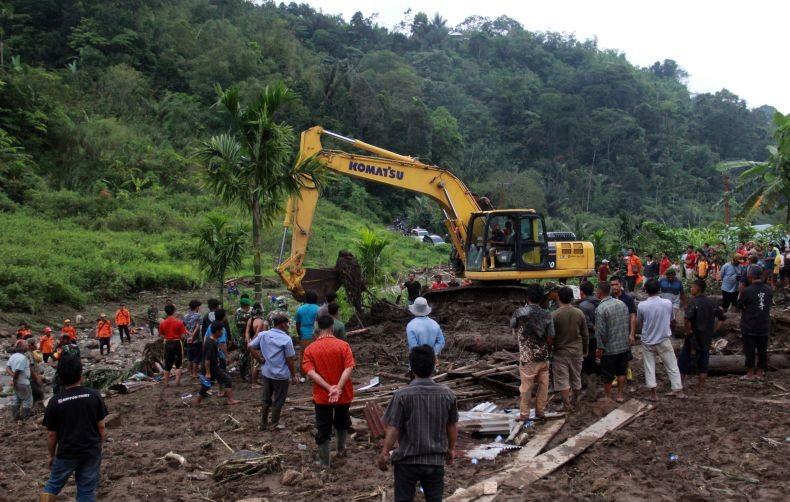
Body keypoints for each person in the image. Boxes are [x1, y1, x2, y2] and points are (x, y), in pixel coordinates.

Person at [378, 345, 458, 502]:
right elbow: (452, 425)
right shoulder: (447, 395)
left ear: (411, 367)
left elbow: (393, 428)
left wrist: (385, 452)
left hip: (407, 461)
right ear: (434, 366)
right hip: (434, 461)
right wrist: (451, 449)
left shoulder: (401, 395)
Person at [40, 355, 107, 502]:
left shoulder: (55, 402)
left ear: (60, 378)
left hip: (67, 452)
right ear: (81, 375)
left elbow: (51, 435)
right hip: (91, 450)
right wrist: (99, 446)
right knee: (86, 491)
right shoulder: (94, 395)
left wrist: (51, 455)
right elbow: (101, 426)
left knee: (52, 485)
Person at [302, 314, 356, 467]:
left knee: (323, 427)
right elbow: (349, 368)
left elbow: (310, 372)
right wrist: (338, 388)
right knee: (342, 422)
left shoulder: (310, 349)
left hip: (322, 396)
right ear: (332, 327)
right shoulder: (343, 346)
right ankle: (341, 450)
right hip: (343, 394)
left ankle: (324, 462)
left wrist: (329, 388)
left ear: (318, 328)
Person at [510, 284, 553, 420]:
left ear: (527, 297)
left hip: (527, 357)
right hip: (543, 356)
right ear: (541, 298)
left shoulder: (519, 312)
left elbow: (512, 325)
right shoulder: (547, 314)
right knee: (544, 386)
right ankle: (540, 411)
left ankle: (524, 414)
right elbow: (551, 336)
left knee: (526, 387)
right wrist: (547, 349)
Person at [248, 312, 298, 430]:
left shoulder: (263, 335)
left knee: (266, 399)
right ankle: (274, 424)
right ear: (282, 324)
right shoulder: (286, 339)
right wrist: (293, 375)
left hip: (267, 372)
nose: (288, 325)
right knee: (279, 400)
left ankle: (263, 423)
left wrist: (260, 360)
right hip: (281, 375)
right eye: (287, 323)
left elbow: (250, 346)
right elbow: (289, 359)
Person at [637, 279, 685, 401]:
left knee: (649, 366)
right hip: (663, 339)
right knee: (672, 365)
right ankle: (678, 390)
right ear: (659, 289)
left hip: (648, 340)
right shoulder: (667, 303)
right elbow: (672, 319)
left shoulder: (641, 305)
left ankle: (653, 394)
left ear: (645, 290)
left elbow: (640, 322)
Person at [679, 279, 725, 392]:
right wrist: (713, 330)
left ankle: (679, 385)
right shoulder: (711, 302)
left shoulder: (693, 302)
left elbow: (687, 319)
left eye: (692, 287)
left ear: (697, 288)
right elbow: (722, 318)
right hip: (706, 337)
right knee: (704, 362)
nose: (691, 289)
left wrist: (688, 332)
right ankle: (700, 387)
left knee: (684, 360)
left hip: (693, 336)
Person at [550, 286, 589, 411]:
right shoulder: (579, 313)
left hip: (560, 353)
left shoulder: (554, 315)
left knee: (562, 380)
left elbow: (551, 336)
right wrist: (585, 350)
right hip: (577, 351)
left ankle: (567, 405)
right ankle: (575, 401)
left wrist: (550, 349)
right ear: (572, 298)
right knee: (576, 377)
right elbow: (585, 334)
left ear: (559, 298)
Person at [594, 282, 631, 403]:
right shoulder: (622, 304)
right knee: (621, 371)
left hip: (609, 348)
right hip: (623, 345)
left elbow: (601, 332)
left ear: (599, 293)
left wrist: (600, 348)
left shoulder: (601, 309)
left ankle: (608, 397)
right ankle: (620, 395)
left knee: (608, 375)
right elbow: (626, 323)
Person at [737, 266, 773, 379]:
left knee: (750, 350)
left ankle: (750, 374)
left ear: (750, 276)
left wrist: (747, 308)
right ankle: (760, 373)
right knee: (762, 350)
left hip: (749, 325)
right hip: (764, 324)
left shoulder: (747, 291)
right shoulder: (769, 289)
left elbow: (739, 305)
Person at [197, 321, 239, 405]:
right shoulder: (211, 343)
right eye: (221, 330)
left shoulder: (211, 340)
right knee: (226, 379)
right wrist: (208, 373)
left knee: (208, 385)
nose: (222, 332)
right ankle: (230, 400)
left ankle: (197, 401)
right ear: (217, 331)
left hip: (213, 367)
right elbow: (207, 359)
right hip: (211, 368)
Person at [578, 281, 600, 400]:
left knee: (585, 362)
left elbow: (587, 324)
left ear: (582, 292)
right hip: (598, 338)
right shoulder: (599, 302)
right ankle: (591, 390)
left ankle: (589, 391)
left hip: (588, 338)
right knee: (592, 363)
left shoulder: (583, 306)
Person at [159, 304, 188, 388]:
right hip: (177, 343)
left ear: (166, 312)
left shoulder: (162, 323)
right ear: (174, 311)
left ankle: (166, 383)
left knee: (167, 364)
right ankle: (177, 382)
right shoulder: (179, 322)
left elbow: (161, 336)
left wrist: (167, 337)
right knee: (178, 363)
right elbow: (183, 336)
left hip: (168, 343)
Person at [295, 290, 320, 382]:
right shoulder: (318, 309)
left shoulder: (300, 309)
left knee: (303, 355)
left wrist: (299, 334)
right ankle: (315, 375)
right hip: (315, 334)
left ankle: (303, 375)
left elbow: (297, 324)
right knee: (315, 355)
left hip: (303, 334)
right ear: (316, 299)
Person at [7, 339, 33, 420]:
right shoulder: (23, 358)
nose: (27, 346)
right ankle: (25, 416)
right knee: (27, 399)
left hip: (17, 381)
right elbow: (18, 371)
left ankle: (16, 416)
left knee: (16, 398)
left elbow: (7, 368)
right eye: (26, 345)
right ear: (21, 347)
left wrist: (13, 378)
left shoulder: (13, 356)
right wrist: (15, 379)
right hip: (23, 382)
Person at [610, 277, 637, 347]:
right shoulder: (609, 298)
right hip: (612, 331)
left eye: (616, 284)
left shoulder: (628, 299)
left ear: (621, 284)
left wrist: (632, 334)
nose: (614, 287)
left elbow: (633, 316)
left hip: (625, 330)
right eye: (612, 285)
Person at [183, 300, 203, 378]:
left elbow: (183, 327)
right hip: (197, 339)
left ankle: (191, 373)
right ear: (197, 307)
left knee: (190, 357)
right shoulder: (198, 315)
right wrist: (193, 334)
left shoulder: (185, 316)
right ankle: (195, 373)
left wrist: (189, 333)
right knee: (197, 357)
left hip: (188, 340)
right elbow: (198, 327)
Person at [235, 296, 253, 382]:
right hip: (245, 338)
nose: (249, 308)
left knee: (242, 355)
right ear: (246, 306)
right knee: (246, 356)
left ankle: (243, 374)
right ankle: (246, 375)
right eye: (248, 306)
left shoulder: (237, 313)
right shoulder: (247, 316)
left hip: (240, 337)